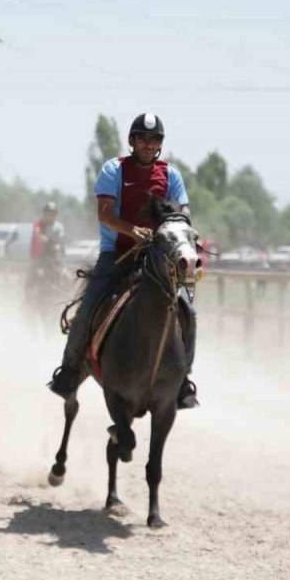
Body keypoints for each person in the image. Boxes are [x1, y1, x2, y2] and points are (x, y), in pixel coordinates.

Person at [47, 112, 198, 408]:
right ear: (132, 141)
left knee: (188, 311)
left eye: (154, 139)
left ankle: (183, 380)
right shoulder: (113, 170)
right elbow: (105, 213)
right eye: (142, 137)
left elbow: (183, 212)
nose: (148, 144)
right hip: (116, 255)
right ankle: (69, 370)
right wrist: (133, 230)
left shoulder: (171, 176)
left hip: (157, 258)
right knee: (88, 307)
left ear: (160, 144)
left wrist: (176, 236)